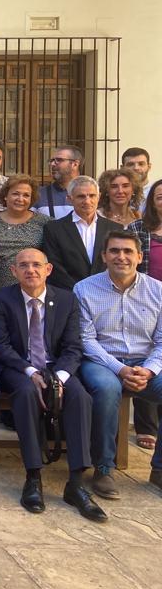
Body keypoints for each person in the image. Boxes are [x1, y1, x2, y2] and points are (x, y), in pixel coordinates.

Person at [0, 248, 106, 522]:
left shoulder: (66, 299)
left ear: (48, 269)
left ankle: (76, 483)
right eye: (24, 266)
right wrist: (30, 371)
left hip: (57, 367)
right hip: (19, 366)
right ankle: (33, 477)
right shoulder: (1, 298)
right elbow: (0, 346)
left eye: (36, 265)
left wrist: (61, 378)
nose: (31, 270)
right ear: (14, 271)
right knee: (27, 393)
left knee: (80, 397)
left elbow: (73, 347)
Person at [74, 230, 162, 499]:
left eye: (127, 251)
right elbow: (87, 341)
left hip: (145, 362)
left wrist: (149, 370)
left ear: (139, 256)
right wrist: (120, 369)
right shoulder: (85, 288)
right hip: (102, 362)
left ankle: (159, 470)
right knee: (107, 389)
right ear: (104, 256)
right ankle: (104, 468)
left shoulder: (158, 291)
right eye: (114, 251)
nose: (120, 257)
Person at [41, 175, 121, 290]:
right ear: (69, 199)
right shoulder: (54, 229)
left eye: (92, 195)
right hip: (69, 295)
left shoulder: (114, 228)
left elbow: (117, 262)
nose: (87, 201)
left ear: (99, 197)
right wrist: (78, 290)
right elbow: (55, 267)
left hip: (107, 292)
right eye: (81, 196)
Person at [129, 177, 162, 449]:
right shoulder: (139, 227)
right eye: (160, 196)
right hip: (145, 299)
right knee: (144, 355)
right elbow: (127, 262)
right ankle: (146, 427)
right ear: (152, 201)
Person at [0, 174, 50, 290]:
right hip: (0, 290)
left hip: (33, 288)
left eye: (26, 195)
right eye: (15, 194)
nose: (20, 199)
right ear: (5, 196)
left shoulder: (45, 222)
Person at [35, 145, 83, 219]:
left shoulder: (92, 194)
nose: (52, 164)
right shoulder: (39, 195)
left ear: (75, 164)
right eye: (51, 161)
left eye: (59, 160)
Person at [122, 147, 152, 213]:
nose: (136, 168)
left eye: (141, 164)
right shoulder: (116, 192)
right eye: (130, 164)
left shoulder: (156, 191)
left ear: (149, 167)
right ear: (122, 168)